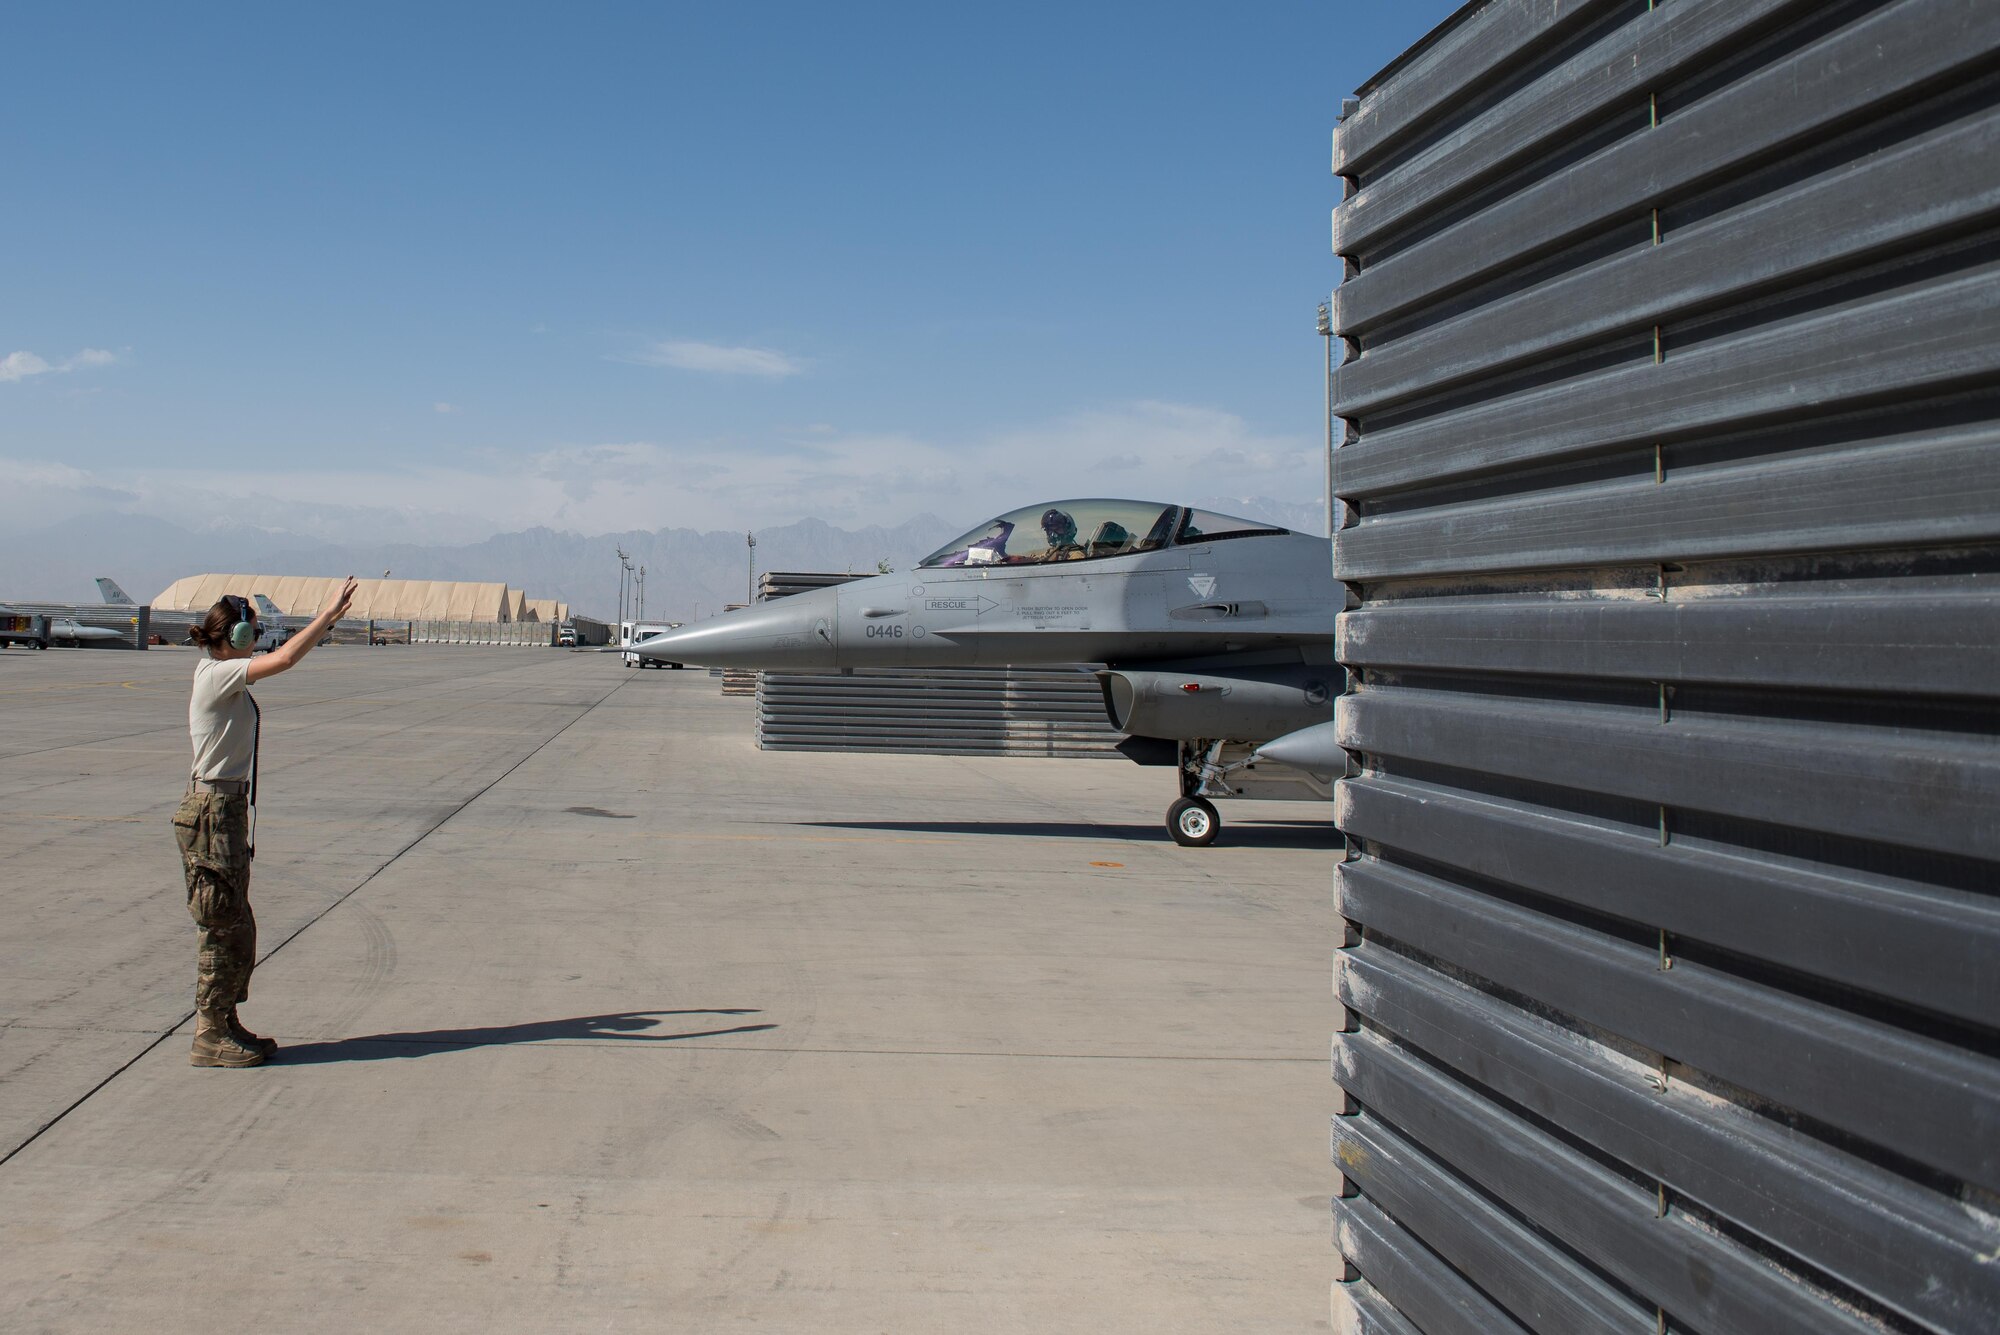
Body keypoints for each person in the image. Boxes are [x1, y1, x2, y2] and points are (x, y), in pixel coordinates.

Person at [175, 577, 357, 1067]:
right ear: (236, 637)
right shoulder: (216, 674)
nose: (258, 638)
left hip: (226, 810)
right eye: (253, 630)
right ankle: (209, 1034)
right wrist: (325, 618)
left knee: (238, 923)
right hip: (212, 811)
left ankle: (226, 1020)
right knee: (219, 925)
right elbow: (285, 660)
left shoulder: (224, 672)